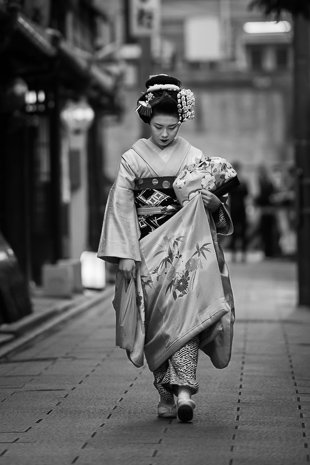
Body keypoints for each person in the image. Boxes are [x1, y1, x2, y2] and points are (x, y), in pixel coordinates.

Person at [98, 74, 235, 423]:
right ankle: (165, 391)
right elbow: (121, 207)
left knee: (187, 316)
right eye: (159, 126)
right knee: (155, 321)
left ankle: (185, 390)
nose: (164, 134)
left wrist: (213, 203)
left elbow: (217, 200)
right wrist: (125, 255)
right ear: (148, 120)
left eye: (172, 127)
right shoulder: (133, 158)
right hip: (145, 251)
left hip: (186, 250)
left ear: (180, 122)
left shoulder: (193, 154)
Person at [228, 161, 249, 263]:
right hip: (234, 209)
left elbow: (247, 194)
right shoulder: (231, 180)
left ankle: (243, 254)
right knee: (234, 233)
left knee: (243, 232)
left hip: (241, 209)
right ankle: (234, 255)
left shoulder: (243, 181)